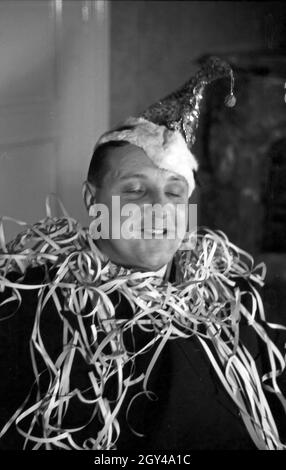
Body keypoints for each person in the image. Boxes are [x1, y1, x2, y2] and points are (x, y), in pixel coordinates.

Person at [0, 57, 285, 451]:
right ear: (92, 199)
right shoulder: (28, 306)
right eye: (134, 189)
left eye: (174, 191)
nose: (159, 207)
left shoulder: (235, 298)